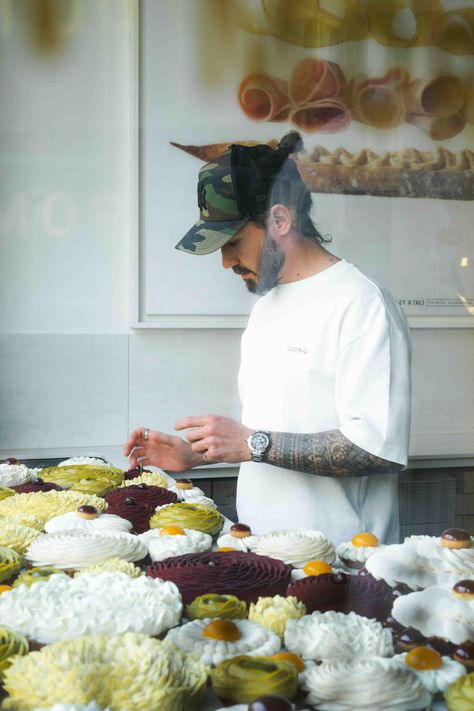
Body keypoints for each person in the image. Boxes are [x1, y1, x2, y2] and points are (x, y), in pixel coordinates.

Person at [124, 132, 411, 545]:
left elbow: (377, 449)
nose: (225, 261)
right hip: (262, 549)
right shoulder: (268, 304)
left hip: (344, 565)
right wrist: (198, 453)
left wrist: (250, 443)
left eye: (234, 243)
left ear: (280, 220)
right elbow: (272, 431)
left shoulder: (363, 303)